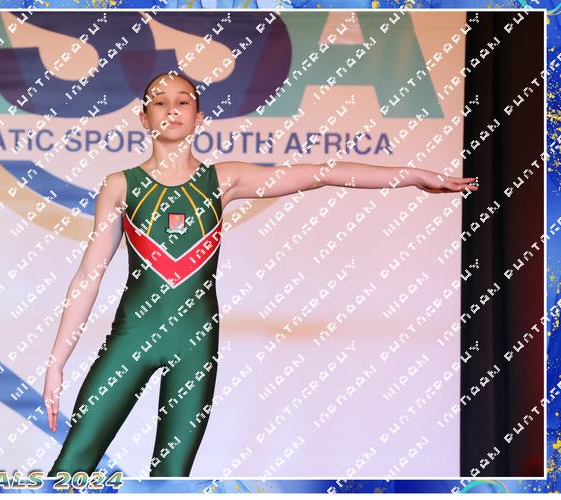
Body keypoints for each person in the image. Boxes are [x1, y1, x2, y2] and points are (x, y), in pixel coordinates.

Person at [43, 71, 479, 478]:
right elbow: (88, 277)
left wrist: (413, 176)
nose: (171, 109)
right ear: (143, 117)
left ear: (200, 116)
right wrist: (57, 363)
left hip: (194, 346)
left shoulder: (223, 180)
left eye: (183, 101)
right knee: (71, 468)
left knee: (171, 483)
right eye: (159, 102)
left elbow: (321, 174)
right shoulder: (120, 185)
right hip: (130, 340)